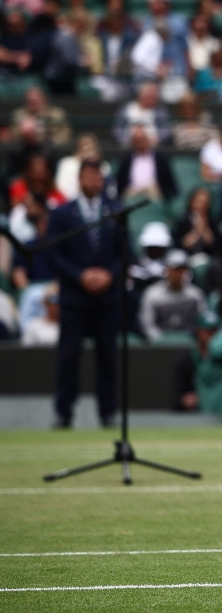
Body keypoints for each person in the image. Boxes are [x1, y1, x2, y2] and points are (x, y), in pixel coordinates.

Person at [46, 160, 125, 428]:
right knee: (68, 356)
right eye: (88, 176)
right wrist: (80, 275)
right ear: (79, 180)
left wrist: (109, 275)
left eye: (97, 176)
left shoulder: (115, 212)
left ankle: (108, 412)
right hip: (74, 297)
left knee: (108, 356)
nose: (93, 181)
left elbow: (127, 254)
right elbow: (54, 254)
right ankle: (64, 411)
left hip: (107, 298)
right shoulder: (62, 213)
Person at [139, 249, 206, 340]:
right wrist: (161, 340)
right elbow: (147, 324)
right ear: (167, 269)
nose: (178, 274)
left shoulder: (195, 295)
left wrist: (193, 338)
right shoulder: (152, 294)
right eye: (175, 270)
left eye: (182, 270)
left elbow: (202, 320)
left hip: (189, 343)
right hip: (160, 345)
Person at [115, 124, 178, 201]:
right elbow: (120, 182)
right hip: (133, 191)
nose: (140, 142)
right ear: (132, 142)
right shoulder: (125, 160)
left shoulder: (161, 159)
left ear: (148, 139)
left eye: (142, 139)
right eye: (137, 140)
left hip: (153, 190)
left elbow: (169, 182)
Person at [174, 187, 220, 258]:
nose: (203, 206)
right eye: (200, 202)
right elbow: (182, 244)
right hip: (187, 257)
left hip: (209, 258)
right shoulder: (182, 221)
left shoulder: (213, 222)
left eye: (206, 202)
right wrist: (197, 230)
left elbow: (214, 244)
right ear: (192, 202)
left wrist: (204, 227)